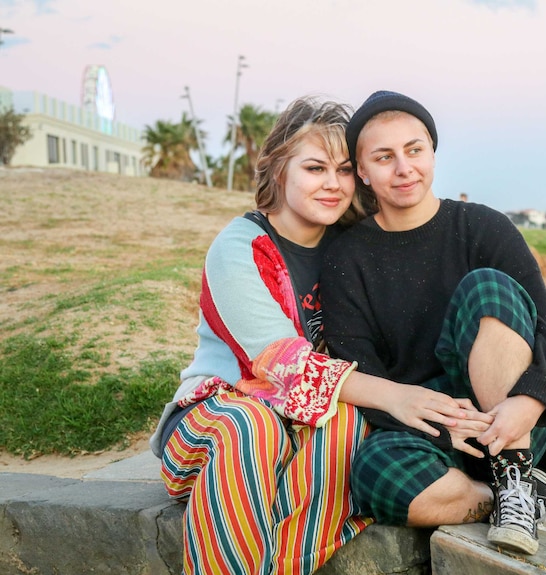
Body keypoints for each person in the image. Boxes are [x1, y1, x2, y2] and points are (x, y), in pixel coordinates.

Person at [149, 97, 469, 575]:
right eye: (315, 168)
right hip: (213, 426)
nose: (333, 184)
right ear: (279, 170)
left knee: (347, 427)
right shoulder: (240, 246)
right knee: (250, 425)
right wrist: (395, 396)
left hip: (302, 432)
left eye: (343, 170)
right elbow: (285, 367)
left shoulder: (352, 249)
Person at [321, 91, 546, 556]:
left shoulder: (483, 228)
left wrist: (530, 402)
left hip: (512, 418)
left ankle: (514, 474)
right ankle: (516, 502)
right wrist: (442, 428)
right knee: (373, 473)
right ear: (362, 172)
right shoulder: (347, 258)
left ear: (432, 152)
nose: (403, 168)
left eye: (414, 150)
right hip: (426, 430)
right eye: (384, 157)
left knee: (487, 287)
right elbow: (363, 374)